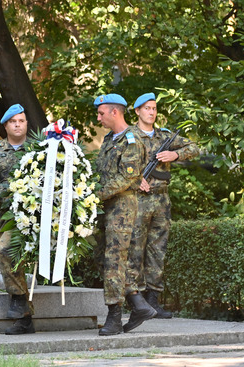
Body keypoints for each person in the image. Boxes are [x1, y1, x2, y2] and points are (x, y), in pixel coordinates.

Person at [128, 92, 200, 319]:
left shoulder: (165, 136)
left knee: (157, 250)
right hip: (137, 199)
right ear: (137, 111)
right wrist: (134, 179)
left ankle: (153, 300)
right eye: (147, 108)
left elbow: (194, 148)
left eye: (154, 108)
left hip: (161, 200)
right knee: (135, 249)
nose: (151, 112)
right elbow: (115, 163)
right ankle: (136, 300)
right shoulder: (128, 135)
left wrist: (175, 154)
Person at [92, 94, 156, 336]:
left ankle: (114, 316)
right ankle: (138, 304)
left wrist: (95, 195)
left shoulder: (132, 140)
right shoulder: (111, 138)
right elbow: (103, 171)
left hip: (121, 207)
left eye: (101, 113)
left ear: (114, 112)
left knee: (113, 259)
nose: (99, 118)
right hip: (107, 205)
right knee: (105, 258)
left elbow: (127, 178)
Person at [0, 104, 35, 335]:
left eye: (21, 121)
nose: (17, 125)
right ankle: (20, 300)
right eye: (13, 122)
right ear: (5, 125)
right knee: (5, 250)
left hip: (39, 214)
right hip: (9, 215)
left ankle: (23, 315)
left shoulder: (39, 150)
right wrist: (22, 190)